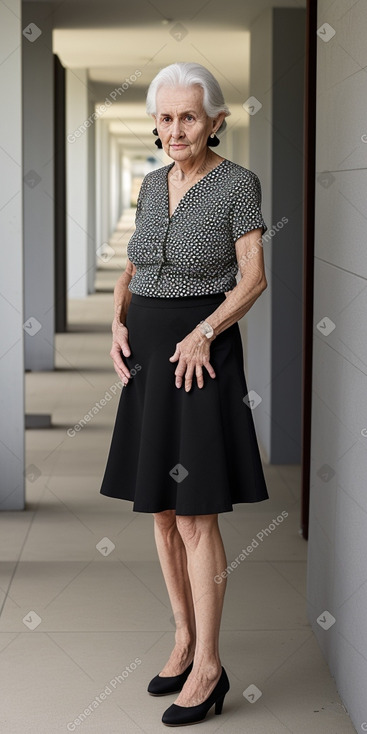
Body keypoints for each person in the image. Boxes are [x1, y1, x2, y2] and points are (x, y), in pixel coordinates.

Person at [99, 61, 269, 727]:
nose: (175, 129)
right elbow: (135, 264)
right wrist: (117, 315)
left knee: (196, 513)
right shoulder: (148, 185)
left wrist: (203, 331)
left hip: (198, 361)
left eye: (188, 117)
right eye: (165, 118)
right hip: (145, 360)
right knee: (160, 513)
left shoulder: (237, 186)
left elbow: (252, 279)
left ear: (215, 121)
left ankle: (209, 667)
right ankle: (181, 638)